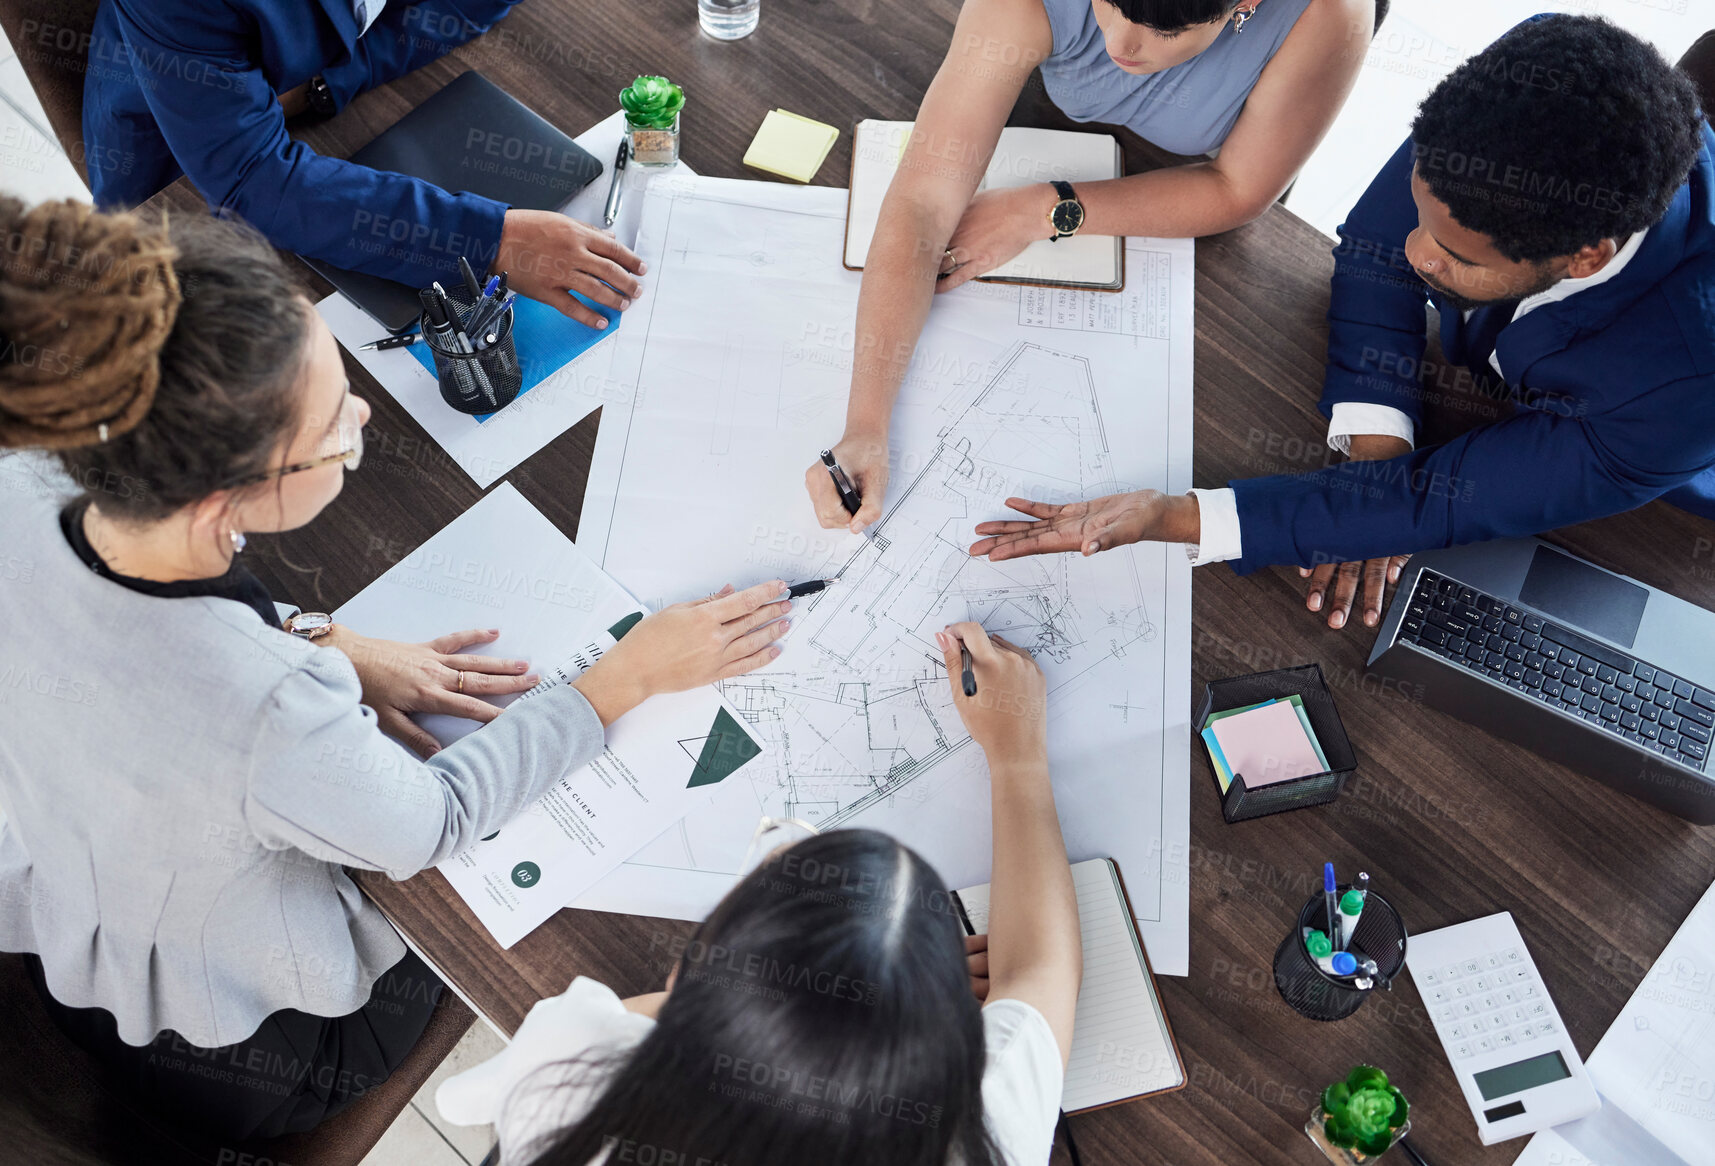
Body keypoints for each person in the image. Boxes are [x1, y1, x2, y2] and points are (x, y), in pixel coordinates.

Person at [0, 197, 789, 1139]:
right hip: (264, 1047)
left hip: (75, 941)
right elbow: (429, 825)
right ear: (230, 499)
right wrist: (623, 677)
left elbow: (161, 658)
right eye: (336, 426)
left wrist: (329, 637)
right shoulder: (270, 708)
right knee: (554, 934)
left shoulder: (29, 484)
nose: (363, 414)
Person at [962, 14, 1714, 632]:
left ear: (1583, 258)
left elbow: (1444, 497)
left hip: (1656, 503)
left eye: (1453, 254)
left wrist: (1180, 516)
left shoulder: (1683, 390)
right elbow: (1374, 250)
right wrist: (1377, 452)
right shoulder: (1516, 110)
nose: (1414, 255)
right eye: (1422, 214)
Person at [433, 623, 1082, 1166]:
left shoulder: (571, 1064)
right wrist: (1016, 753)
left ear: (691, 965)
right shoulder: (981, 1132)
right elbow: (1039, 971)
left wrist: (803, 1004)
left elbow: (464, 1099)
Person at [807, 0, 1378, 532]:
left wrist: (1045, 209)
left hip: (1207, 173)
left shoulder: (1329, 14)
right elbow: (923, 202)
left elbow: (1239, 188)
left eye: (1166, 30)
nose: (1123, 45)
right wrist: (865, 426)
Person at [81, 0, 642, 331]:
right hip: (177, 182)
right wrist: (488, 243)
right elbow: (250, 179)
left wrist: (331, 85)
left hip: (326, 98)